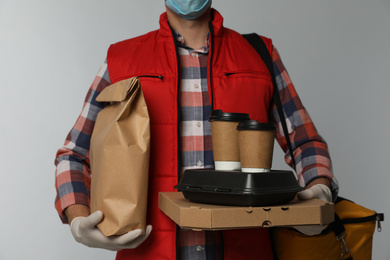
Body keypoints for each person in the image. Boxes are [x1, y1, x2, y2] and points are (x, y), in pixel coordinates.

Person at [54, 1, 339, 259]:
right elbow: (74, 154)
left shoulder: (260, 56)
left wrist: (319, 189)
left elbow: (305, 142)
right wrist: (79, 219)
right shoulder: (121, 61)